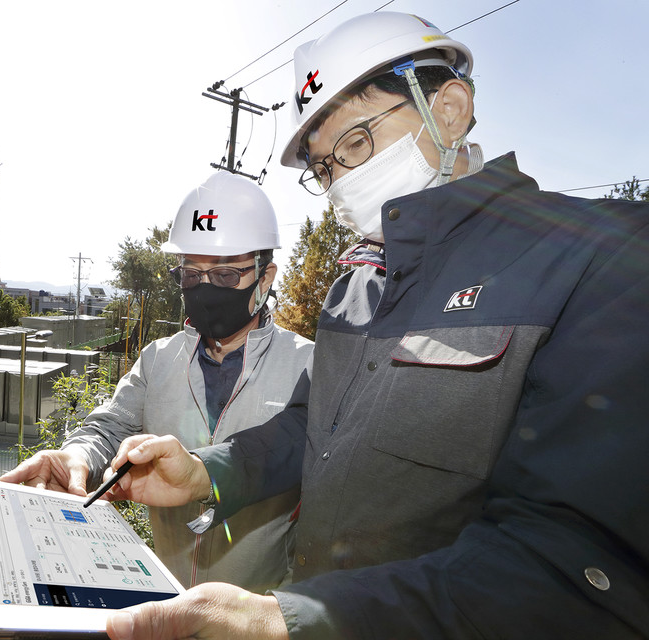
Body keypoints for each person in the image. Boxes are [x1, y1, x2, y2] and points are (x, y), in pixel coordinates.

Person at [95, 11, 649, 640]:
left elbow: (576, 566)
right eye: (326, 168)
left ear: (449, 107)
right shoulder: (353, 290)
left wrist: (296, 620)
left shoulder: (601, 257)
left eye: (356, 144)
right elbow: (315, 431)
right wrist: (207, 471)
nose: (342, 182)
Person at [0, 171, 314, 592]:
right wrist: (77, 455)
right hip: (165, 603)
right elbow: (109, 427)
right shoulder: (158, 359)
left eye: (224, 276)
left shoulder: (308, 367)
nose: (205, 288)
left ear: (266, 276)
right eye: (190, 274)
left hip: (255, 618)